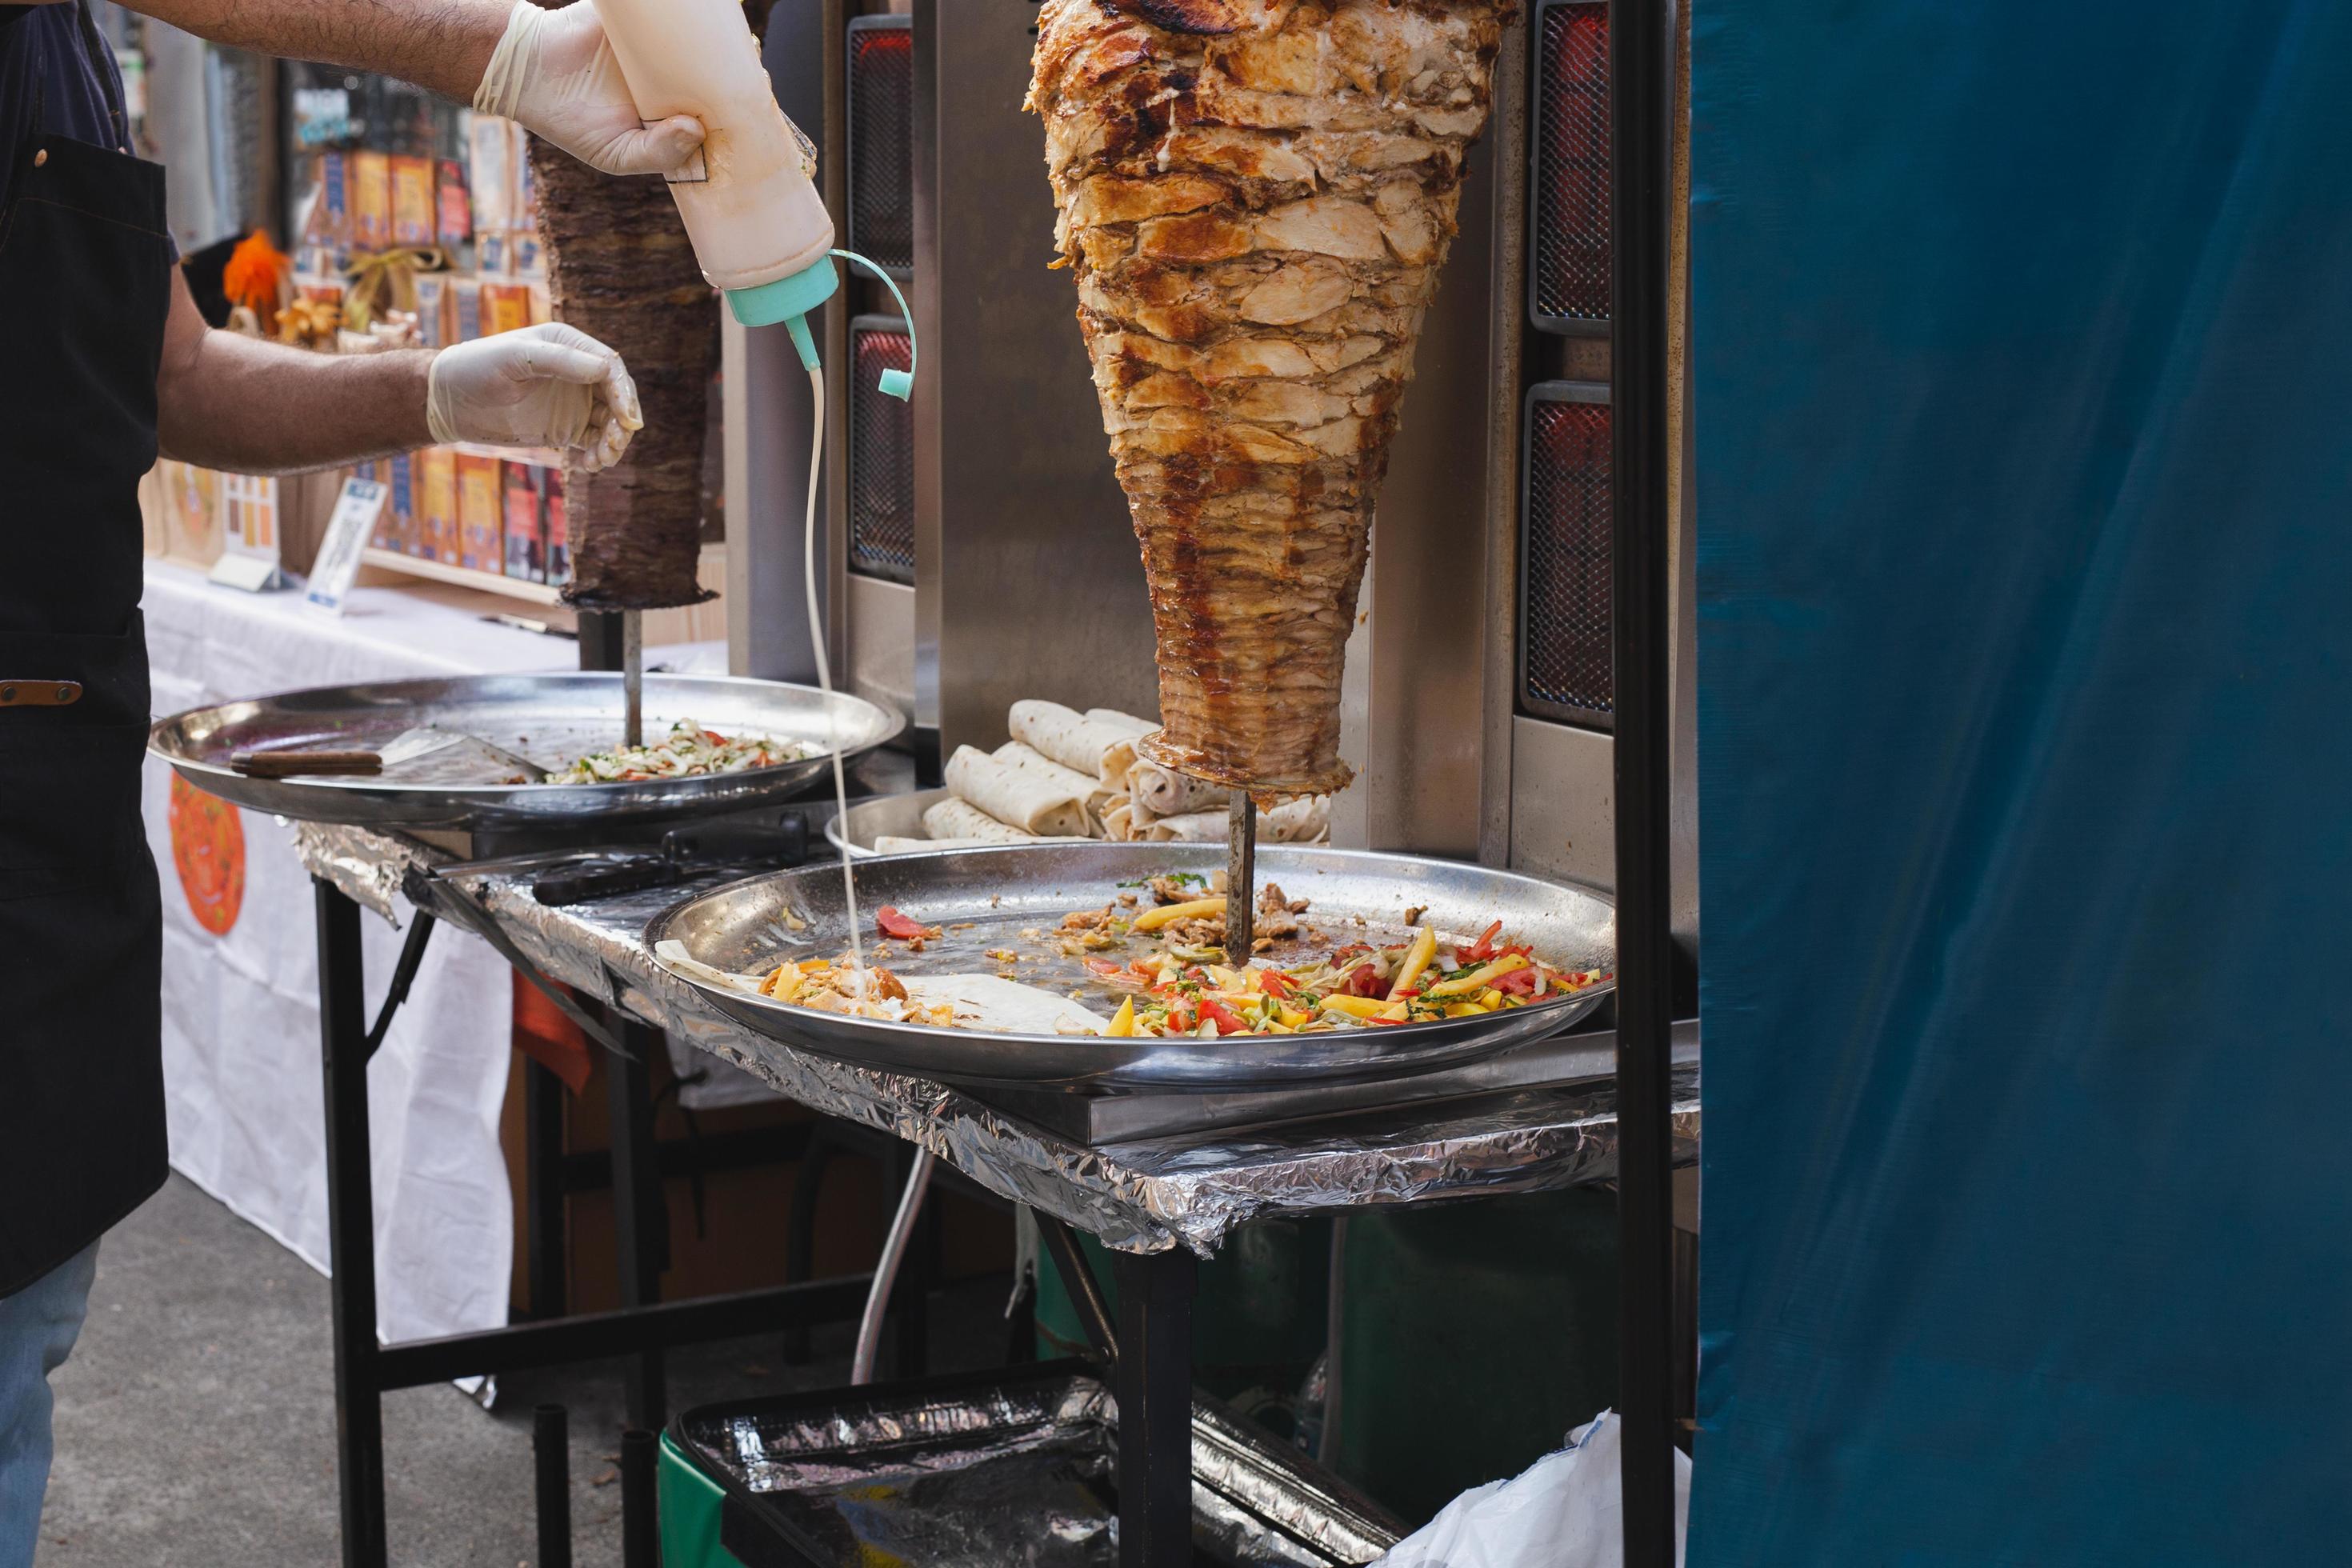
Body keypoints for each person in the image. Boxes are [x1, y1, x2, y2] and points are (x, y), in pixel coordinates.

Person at [0, 2, 702, 1558]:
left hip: (44, 820)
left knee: (19, 1338)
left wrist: (439, 392)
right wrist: (494, 52)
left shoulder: (68, 53)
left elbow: (170, 378)